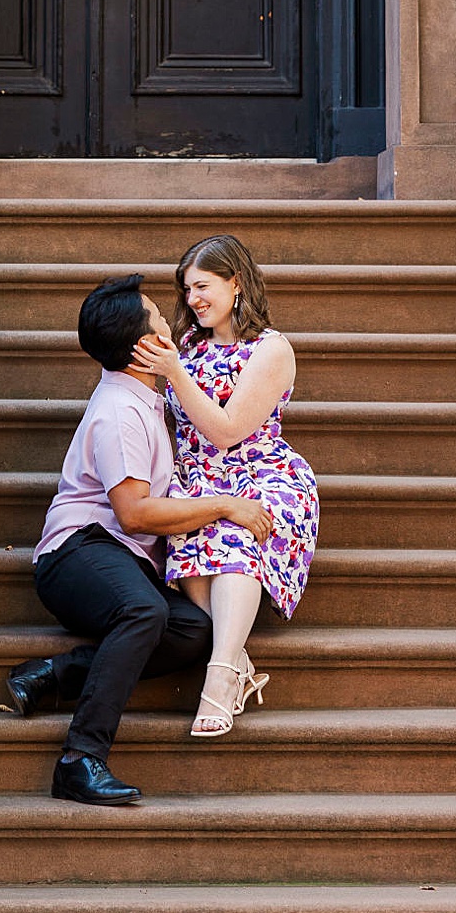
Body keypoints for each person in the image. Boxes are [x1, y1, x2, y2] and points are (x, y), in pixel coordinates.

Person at [4, 274, 276, 806]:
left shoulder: (144, 396)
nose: (169, 321)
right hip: (77, 553)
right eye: (157, 316)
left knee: (195, 631)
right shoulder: (121, 412)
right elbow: (134, 514)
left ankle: (55, 673)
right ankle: (80, 759)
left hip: (116, 555)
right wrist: (225, 506)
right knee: (144, 614)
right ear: (146, 347)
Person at [132, 235, 320, 738]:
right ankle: (239, 664)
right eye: (186, 288)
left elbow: (228, 430)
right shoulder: (186, 344)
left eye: (203, 285)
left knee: (235, 541)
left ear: (235, 283)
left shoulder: (271, 348)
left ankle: (217, 682)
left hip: (262, 474)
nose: (192, 298)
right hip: (197, 478)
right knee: (190, 542)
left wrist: (174, 370)